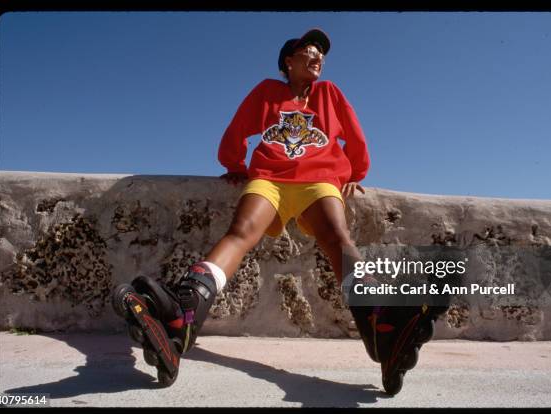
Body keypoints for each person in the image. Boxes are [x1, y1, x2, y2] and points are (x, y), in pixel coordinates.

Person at [113, 28, 445, 396]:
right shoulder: (267, 92)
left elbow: (355, 136)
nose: (317, 57)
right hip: (269, 177)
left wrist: (355, 173)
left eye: (321, 53)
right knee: (240, 232)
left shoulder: (329, 94)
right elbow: (238, 129)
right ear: (289, 61)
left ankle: (380, 321)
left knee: (337, 237)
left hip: (318, 179)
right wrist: (234, 164)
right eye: (309, 51)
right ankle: (183, 313)